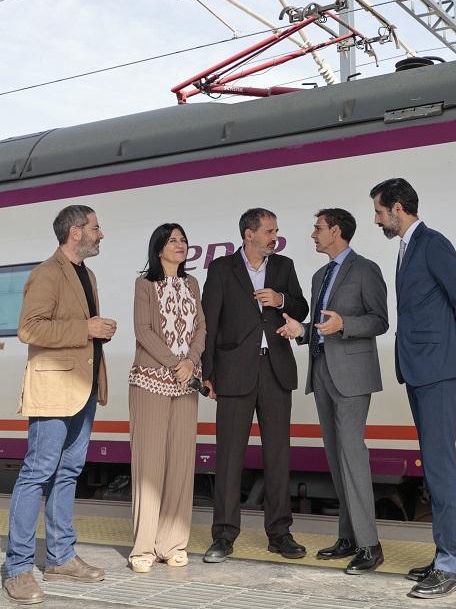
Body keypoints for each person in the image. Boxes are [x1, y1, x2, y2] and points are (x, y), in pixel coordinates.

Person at [2, 205, 116, 607]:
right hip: (53, 390)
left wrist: (96, 334)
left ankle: (61, 557)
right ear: (75, 233)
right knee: (37, 473)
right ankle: (17, 568)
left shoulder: (88, 275)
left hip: (82, 390)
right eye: (96, 227)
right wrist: (85, 328)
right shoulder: (46, 273)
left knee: (68, 473)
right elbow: (30, 328)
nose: (101, 234)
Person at [369, 178, 456, 600]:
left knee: (439, 466)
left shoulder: (432, 243)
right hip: (421, 367)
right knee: (435, 464)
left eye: (379, 211)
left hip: (436, 365)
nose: (376, 219)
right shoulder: (407, 247)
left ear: (398, 208)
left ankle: (450, 563)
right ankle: (455, 558)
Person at [277, 208, 388, 574]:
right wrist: (302, 330)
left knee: (353, 457)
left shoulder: (365, 269)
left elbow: (379, 320)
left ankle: (370, 545)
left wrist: (344, 325)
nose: (313, 234)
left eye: (318, 228)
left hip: (353, 376)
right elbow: (322, 327)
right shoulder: (319, 275)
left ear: (336, 231)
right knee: (336, 458)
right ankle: (348, 537)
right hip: (323, 374)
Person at [201, 208, 309, 563]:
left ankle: (280, 533)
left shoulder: (284, 267)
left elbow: (301, 307)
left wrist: (280, 300)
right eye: (267, 231)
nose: (273, 236)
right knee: (229, 456)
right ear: (248, 234)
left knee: (278, 454)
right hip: (233, 372)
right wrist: (208, 374)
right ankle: (223, 536)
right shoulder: (220, 269)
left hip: (275, 370)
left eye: (275, 231)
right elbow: (210, 323)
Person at [127, 223, 206, 573]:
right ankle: (143, 548)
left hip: (186, 382)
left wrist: (190, 363)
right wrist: (176, 363)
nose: (180, 244)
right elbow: (142, 330)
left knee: (180, 463)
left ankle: (171, 543)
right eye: (172, 240)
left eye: (183, 240)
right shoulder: (144, 285)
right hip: (151, 381)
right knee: (150, 466)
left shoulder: (192, 284)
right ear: (158, 248)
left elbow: (201, 327)